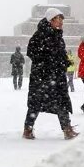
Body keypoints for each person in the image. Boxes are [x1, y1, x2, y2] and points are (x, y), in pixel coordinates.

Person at [23, 8, 77, 140]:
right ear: (51, 20)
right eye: (59, 19)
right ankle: (28, 129)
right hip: (42, 77)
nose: (61, 21)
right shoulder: (39, 35)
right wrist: (46, 62)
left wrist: (64, 61)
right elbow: (32, 52)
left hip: (57, 76)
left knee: (61, 102)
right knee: (36, 103)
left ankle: (67, 129)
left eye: (62, 19)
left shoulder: (58, 36)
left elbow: (60, 54)